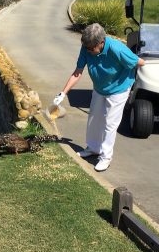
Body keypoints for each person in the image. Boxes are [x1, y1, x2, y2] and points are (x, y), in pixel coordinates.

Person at [53, 23, 145, 172]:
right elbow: (78, 72)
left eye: (91, 48)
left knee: (110, 123)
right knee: (94, 118)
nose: (89, 51)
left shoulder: (117, 49)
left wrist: (133, 83)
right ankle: (93, 148)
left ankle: (105, 157)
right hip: (100, 88)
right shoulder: (87, 47)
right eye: (87, 48)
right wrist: (63, 93)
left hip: (118, 90)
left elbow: (140, 62)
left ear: (101, 43)